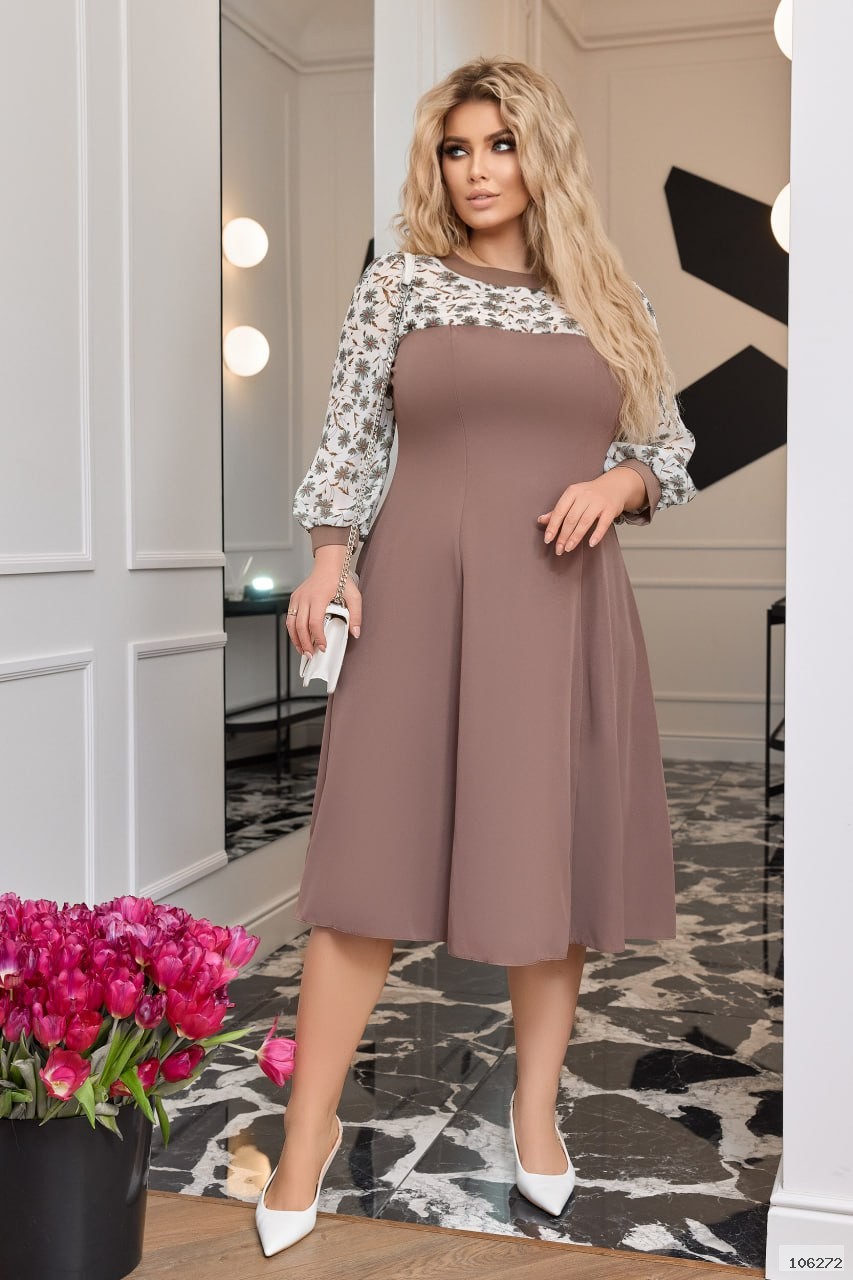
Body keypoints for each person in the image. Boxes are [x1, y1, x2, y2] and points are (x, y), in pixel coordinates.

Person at [255, 55, 697, 1257]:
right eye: (456, 149)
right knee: (365, 865)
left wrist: (619, 481)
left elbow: (668, 445)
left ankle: (535, 1113)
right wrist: (328, 561)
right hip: (416, 599)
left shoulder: (608, 296)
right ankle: (303, 1136)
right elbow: (349, 435)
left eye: (500, 144)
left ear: (541, 154)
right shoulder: (399, 283)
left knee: (544, 868)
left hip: (559, 609)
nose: (477, 170)